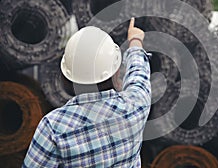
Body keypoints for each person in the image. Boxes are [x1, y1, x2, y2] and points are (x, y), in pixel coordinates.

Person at [22, 18, 151, 167]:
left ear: (66, 76)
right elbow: (139, 72)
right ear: (115, 71)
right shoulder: (135, 106)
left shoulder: (54, 127)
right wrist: (135, 39)